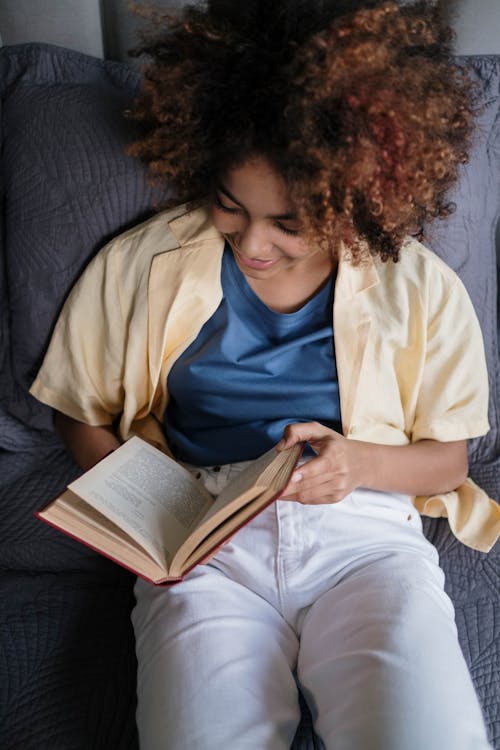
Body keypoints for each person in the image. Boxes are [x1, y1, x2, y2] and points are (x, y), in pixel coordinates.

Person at [30, 1, 498, 748]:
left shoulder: (423, 288)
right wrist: (149, 509)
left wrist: (355, 464)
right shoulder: (141, 262)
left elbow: (448, 461)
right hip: (203, 535)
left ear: (356, 200)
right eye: (229, 206)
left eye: (289, 222)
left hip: (366, 537)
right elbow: (77, 411)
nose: (252, 244)